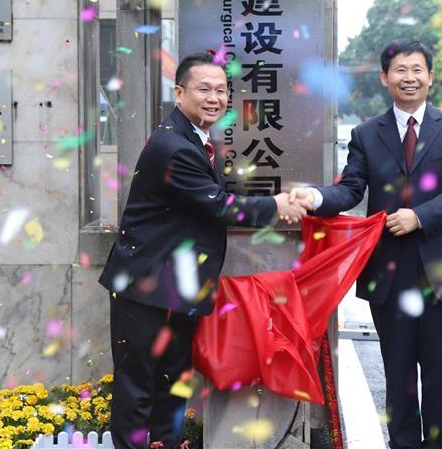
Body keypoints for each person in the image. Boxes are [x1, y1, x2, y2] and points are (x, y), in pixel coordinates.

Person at [99, 53, 310, 449]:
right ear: (179, 93)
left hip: (173, 285)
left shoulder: (192, 138)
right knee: (138, 386)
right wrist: (276, 205)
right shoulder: (173, 146)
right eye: (204, 89)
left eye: (221, 90)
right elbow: (217, 205)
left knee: (173, 382)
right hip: (146, 287)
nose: (214, 98)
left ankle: (166, 442)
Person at [290, 39, 442, 449]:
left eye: (417, 69)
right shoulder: (366, 134)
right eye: (400, 70)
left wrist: (420, 216)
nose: (409, 78)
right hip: (390, 275)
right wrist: (316, 197)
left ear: (430, 76)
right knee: (398, 379)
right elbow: (351, 188)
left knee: (441, 379)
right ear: (384, 78)